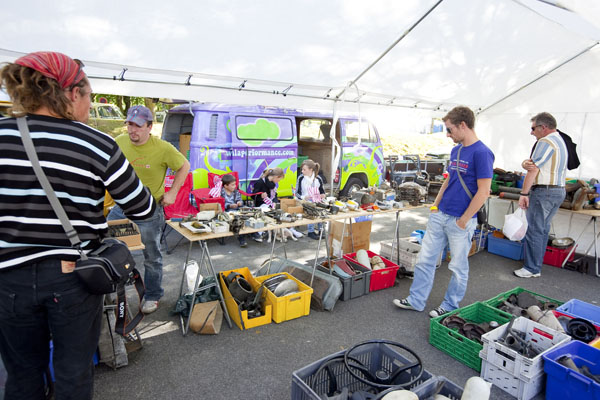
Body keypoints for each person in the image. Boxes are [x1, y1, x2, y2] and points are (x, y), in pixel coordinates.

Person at [0, 51, 156, 400]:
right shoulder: (97, 144)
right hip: (72, 277)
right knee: (73, 374)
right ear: (72, 94)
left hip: (8, 278)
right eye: (88, 94)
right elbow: (143, 208)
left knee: (22, 376)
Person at [393, 106, 494, 318]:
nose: (448, 135)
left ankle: (449, 305)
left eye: (450, 130)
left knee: (457, 267)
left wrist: (464, 219)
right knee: (424, 260)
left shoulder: (482, 153)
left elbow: (484, 191)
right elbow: (449, 178)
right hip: (441, 215)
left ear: (463, 125)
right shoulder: (456, 150)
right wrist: (436, 205)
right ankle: (416, 300)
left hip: (460, 220)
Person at [108, 105, 190, 314]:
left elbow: (184, 167)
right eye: (129, 125)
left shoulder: (162, 148)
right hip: (122, 207)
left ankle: (152, 295)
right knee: (107, 246)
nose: (132, 130)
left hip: (149, 211)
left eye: (137, 126)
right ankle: (112, 291)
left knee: (152, 256)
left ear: (149, 127)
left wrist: (172, 194)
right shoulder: (119, 142)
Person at [514, 112, 567, 278]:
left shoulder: (545, 141)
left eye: (533, 128)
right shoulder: (560, 140)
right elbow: (532, 164)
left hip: (545, 191)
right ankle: (536, 266)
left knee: (535, 230)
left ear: (543, 127)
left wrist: (524, 193)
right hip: (558, 190)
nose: (531, 132)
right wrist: (525, 163)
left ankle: (531, 268)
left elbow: (533, 168)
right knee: (543, 230)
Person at [251, 167, 285, 242]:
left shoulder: (272, 184)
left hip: (270, 204)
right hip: (261, 205)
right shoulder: (260, 182)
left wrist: (275, 202)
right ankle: (258, 233)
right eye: (279, 179)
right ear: (276, 177)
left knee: (281, 212)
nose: (278, 181)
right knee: (267, 211)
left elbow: (275, 195)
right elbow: (253, 196)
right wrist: (260, 195)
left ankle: (280, 231)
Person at [295, 159, 326, 240]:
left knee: (321, 207)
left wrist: (323, 195)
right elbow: (297, 193)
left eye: (304, 169)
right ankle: (310, 231)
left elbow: (322, 191)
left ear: (311, 169)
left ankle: (321, 230)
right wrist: (304, 197)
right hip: (304, 201)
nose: (302, 171)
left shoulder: (318, 178)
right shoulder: (301, 178)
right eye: (302, 169)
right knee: (311, 206)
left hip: (316, 200)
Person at [221, 173, 248, 247]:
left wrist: (239, 203)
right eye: (232, 185)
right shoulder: (221, 193)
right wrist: (229, 205)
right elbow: (220, 205)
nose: (234, 186)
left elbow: (240, 201)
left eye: (235, 184)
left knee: (247, 212)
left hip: (237, 209)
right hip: (227, 211)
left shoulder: (236, 192)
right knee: (237, 220)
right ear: (225, 186)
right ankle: (241, 239)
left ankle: (255, 233)